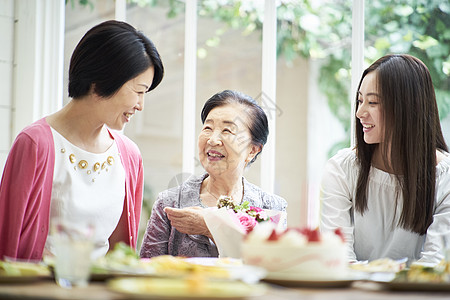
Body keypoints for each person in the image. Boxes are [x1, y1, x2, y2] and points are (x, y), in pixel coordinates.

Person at [0, 20, 164, 260]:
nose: (140, 105)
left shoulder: (129, 155)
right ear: (101, 80)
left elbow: (120, 257)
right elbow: (7, 246)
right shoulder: (35, 144)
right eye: (138, 91)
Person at [320, 54, 450, 265]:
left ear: (408, 108)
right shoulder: (342, 169)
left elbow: (435, 267)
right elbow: (338, 261)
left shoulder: (445, 177)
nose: (360, 112)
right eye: (360, 100)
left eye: (373, 102)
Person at [140, 90, 287, 258]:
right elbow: (147, 269)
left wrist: (211, 227)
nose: (212, 140)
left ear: (252, 150)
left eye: (227, 130)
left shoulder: (272, 207)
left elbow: (273, 267)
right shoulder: (170, 202)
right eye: (208, 128)